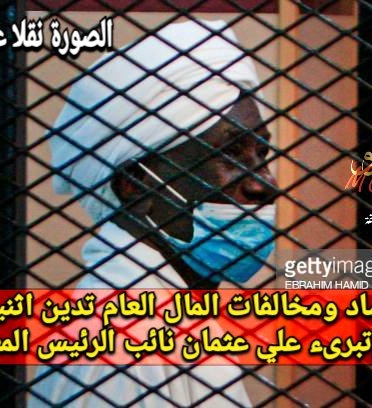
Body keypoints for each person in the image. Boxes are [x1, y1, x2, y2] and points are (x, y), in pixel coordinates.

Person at [29, 19, 277, 407]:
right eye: (229, 154)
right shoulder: (122, 341)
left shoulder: (170, 318)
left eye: (262, 153)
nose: (263, 183)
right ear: (136, 184)